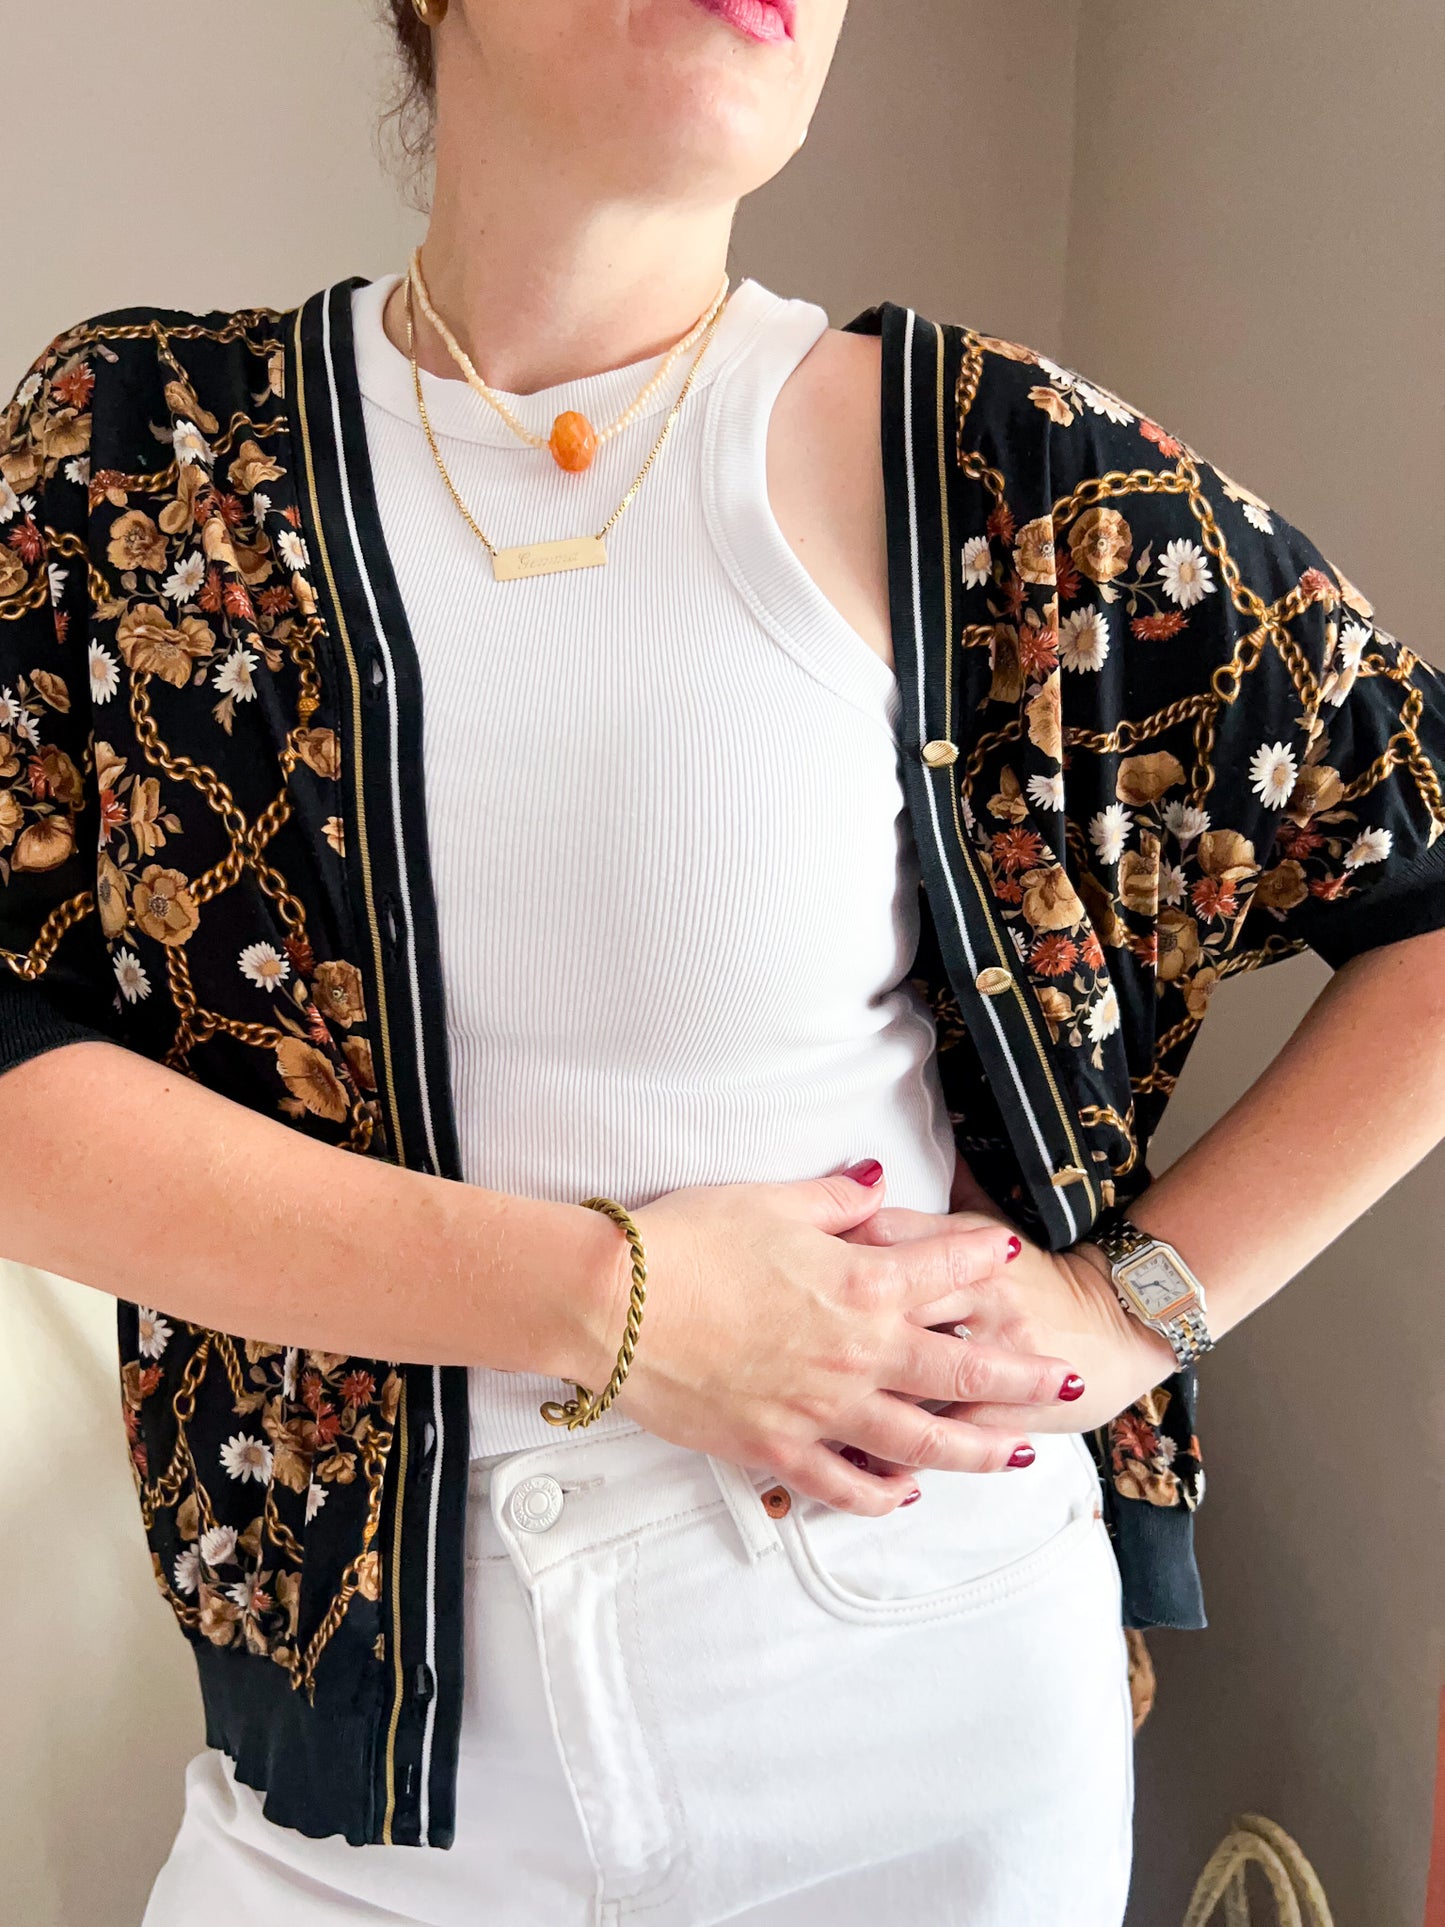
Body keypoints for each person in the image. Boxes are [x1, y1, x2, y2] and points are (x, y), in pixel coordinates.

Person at [1, 0, 1442, 1921]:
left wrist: (1134, 1312)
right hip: (351, 1811)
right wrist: (616, 1304)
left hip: (921, 1718)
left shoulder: (985, 472)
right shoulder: (138, 461)